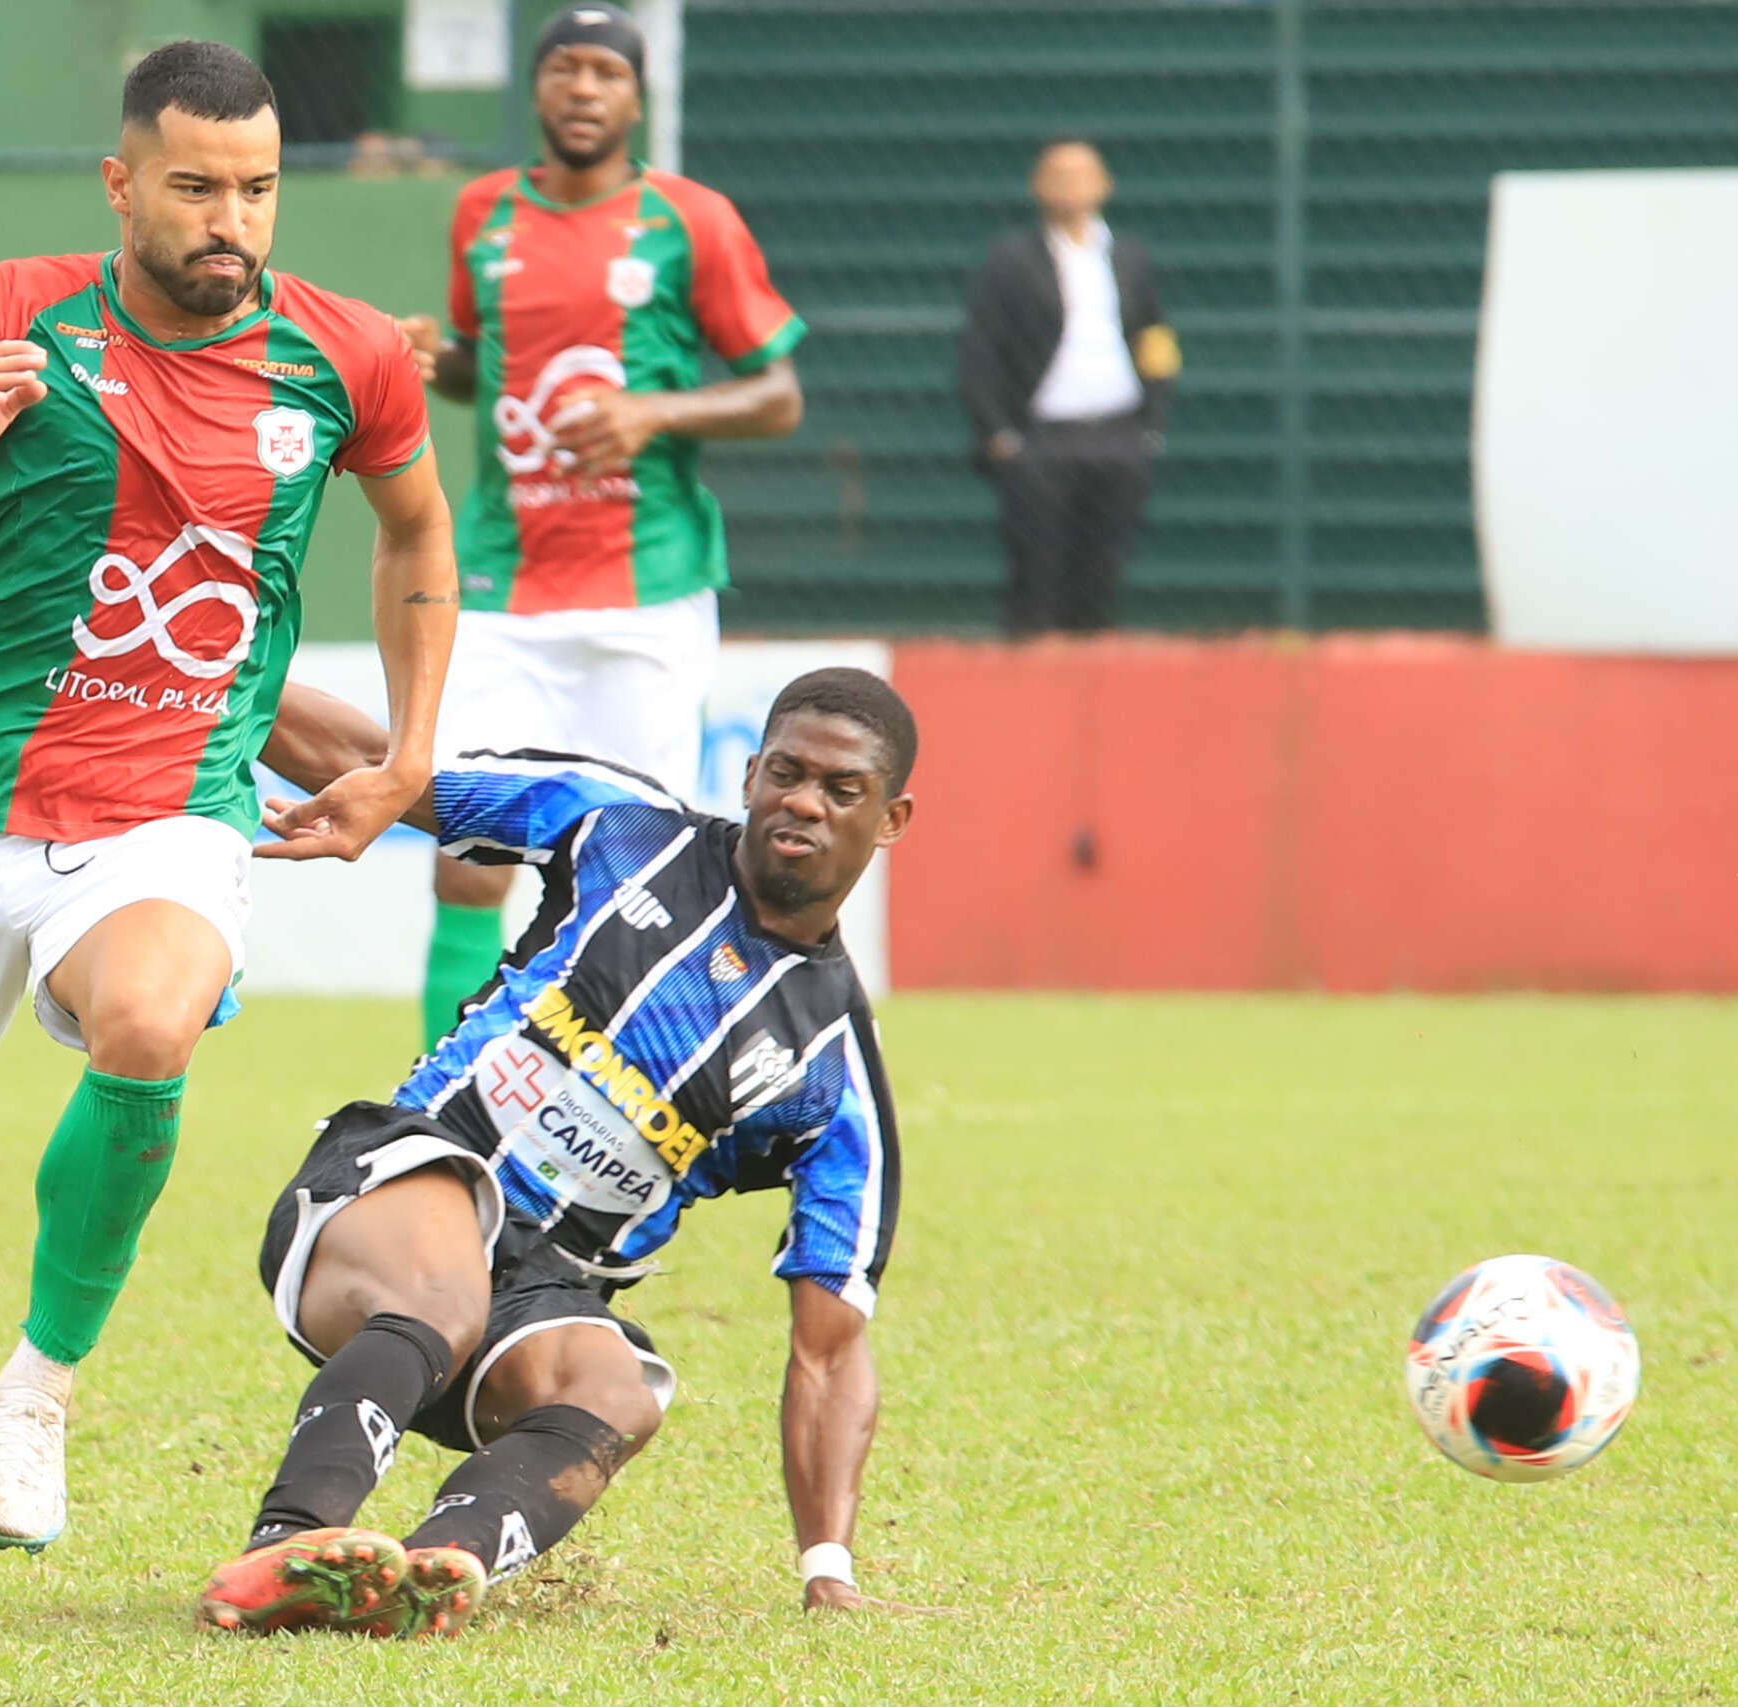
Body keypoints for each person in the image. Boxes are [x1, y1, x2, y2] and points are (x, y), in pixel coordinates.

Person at [0, 40, 457, 1613]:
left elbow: (417, 533)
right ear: (122, 182)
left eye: (256, 190)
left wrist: (410, 755)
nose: (230, 220)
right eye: (195, 186)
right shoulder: (16, 311)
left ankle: (40, 1382)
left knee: (148, 1020)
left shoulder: (342, 355)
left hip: (168, 812)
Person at [194, 666, 923, 1638]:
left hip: (537, 1293)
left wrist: (826, 1565)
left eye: (843, 790)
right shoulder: (618, 826)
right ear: (748, 774)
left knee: (622, 1388)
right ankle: (282, 1546)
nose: (803, 801)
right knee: (442, 1278)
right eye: (785, 772)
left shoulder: (834, 1077)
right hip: (396, 1181)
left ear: (890, 820)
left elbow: (828, 1349)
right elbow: (387, 768)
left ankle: (429, 1570)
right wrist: (212, 678)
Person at [396, 2, 806, 1048]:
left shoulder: (690, 220)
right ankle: (436, 1101)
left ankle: (620, 1083)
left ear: (638, 95)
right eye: (565, 69)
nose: (584, 89)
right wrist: (425, 355)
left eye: (606, 73)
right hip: (499, 589)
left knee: (644, 868)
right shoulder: (482, 214)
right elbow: (474, 373)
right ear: (536, 89)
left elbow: (776, 395)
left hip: (647, 592)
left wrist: (651, 411)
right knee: (463, 849)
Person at [956, 135, 1179, 635]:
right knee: (1037, 572)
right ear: (1037, 186)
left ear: (1105, 185)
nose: (1070, 187)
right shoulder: (1010, 261)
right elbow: (980, 350)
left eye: (1081, 175)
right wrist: (999, 433)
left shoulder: (1130, 259)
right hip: (1041, 440)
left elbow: (1156, 338)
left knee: (1103, 568)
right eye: (1057, 176)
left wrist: (1153, 423)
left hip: (1119, 434)